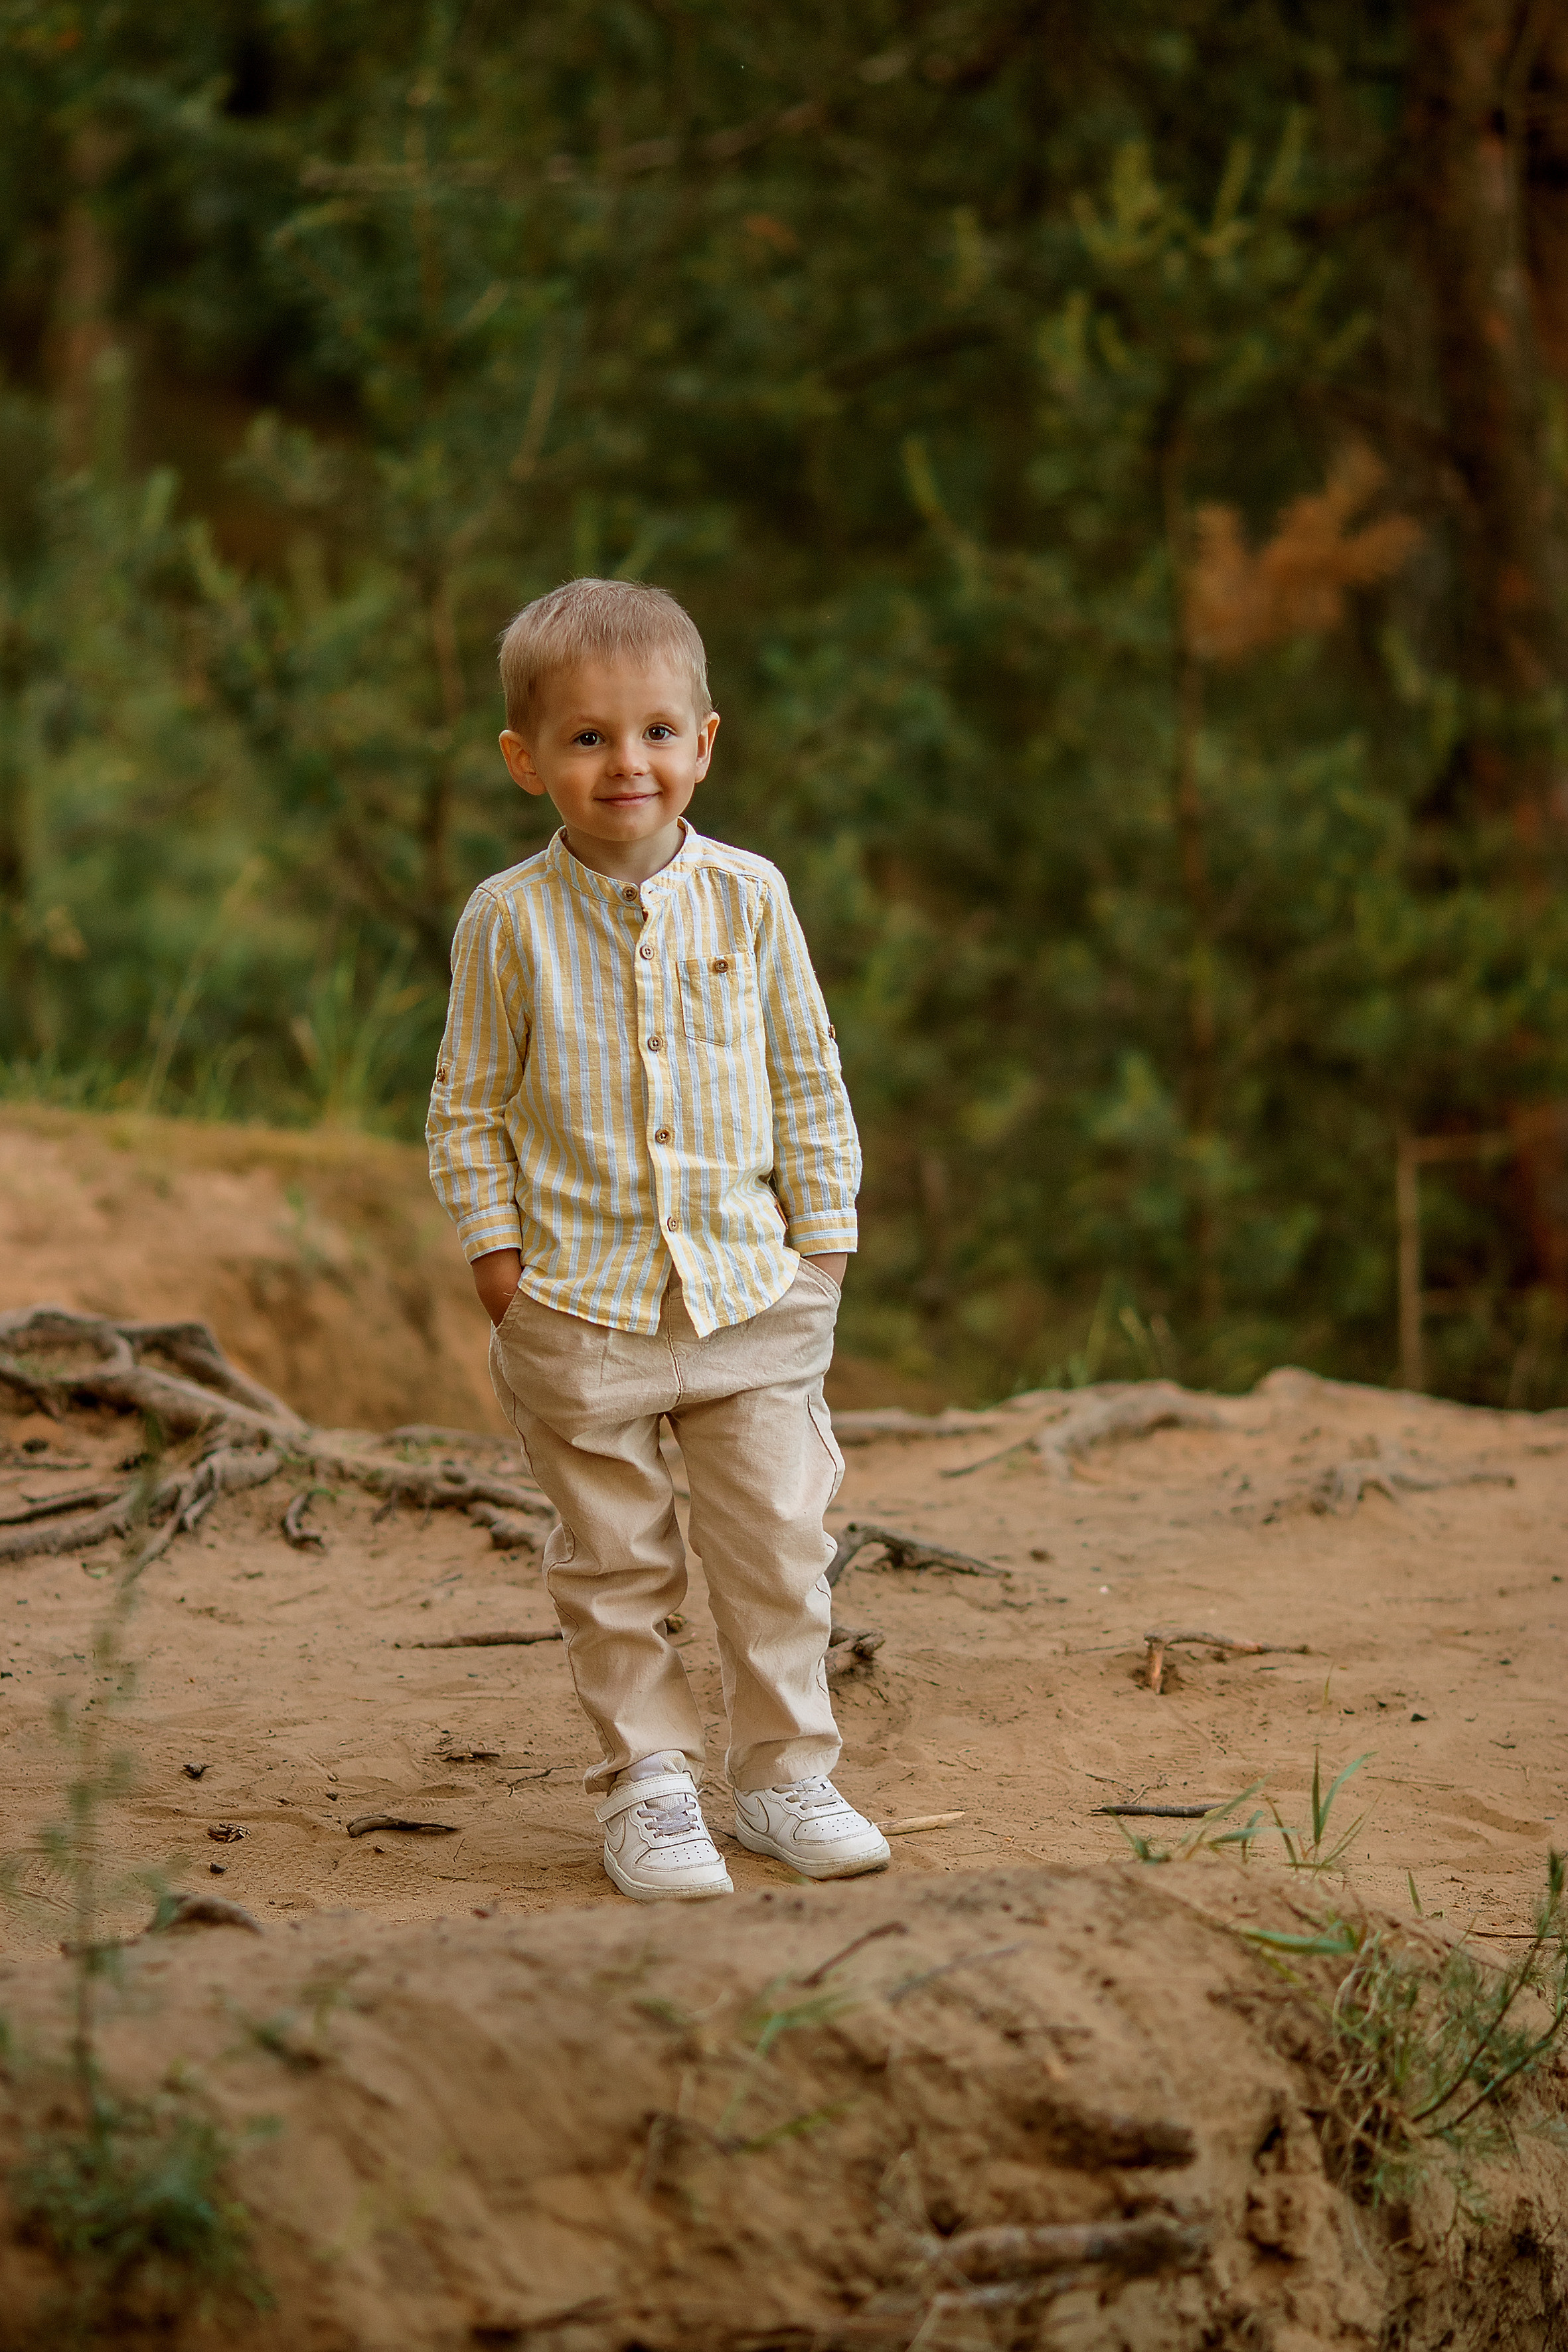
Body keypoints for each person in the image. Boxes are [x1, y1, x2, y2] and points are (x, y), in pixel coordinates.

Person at [426, 577, 890, 1902]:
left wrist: (823, 1248)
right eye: (584, 737)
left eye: (653, 733)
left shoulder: (751, 897)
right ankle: (649, 1780)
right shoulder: (504, 921)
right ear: (525, 759)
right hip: (581, 1309)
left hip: (753, 1293)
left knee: (777, 1544)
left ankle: (781, 1774)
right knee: (614, 1559)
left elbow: (808, 1073)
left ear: (703, 740)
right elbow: (464, 1107)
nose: (624, 763)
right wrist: (499, 1270)